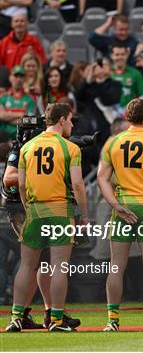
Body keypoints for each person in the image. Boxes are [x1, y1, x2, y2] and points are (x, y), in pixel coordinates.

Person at [5, 103, 89, 332]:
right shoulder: (70, 148)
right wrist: (85, 215)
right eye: (70, 120)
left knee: (27, 266)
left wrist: (28, 206)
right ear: (61, 120)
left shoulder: (27, 147)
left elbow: (21, 184)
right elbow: (79, 185)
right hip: (60, 210)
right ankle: (57, 320)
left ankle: (15, 318)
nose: (71, 125)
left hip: (34, 210)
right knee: (59, 266)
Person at [97, 98, 143, 332]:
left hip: (123, 208)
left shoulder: (113, 142)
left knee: (116, 266)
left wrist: (116, 205)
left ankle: (112, 320)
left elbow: (101, 178)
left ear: (127, 117)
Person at [0, 65, 35, 140]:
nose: (18, 79)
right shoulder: (3, 98)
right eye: (16, 76)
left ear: (24, 79)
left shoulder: (30, 99)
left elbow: (30, 121)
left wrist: (8, 117)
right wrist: (21, 114)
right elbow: (1, 115)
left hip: (23, 139)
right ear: (10, 78)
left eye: (21, 76)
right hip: (4, 139)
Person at [110, 43, 143, 110]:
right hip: (110, 115)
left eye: (122, 54)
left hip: (130, 114)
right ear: (111, 56)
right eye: (117, 55)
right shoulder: (107, 73)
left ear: (127, 55)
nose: (120, 57)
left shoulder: (135, 73)